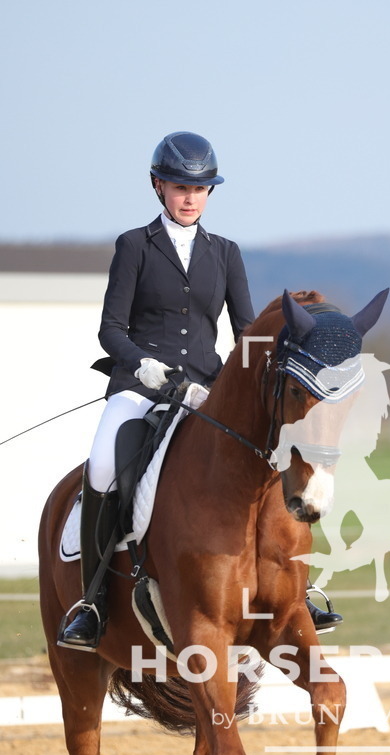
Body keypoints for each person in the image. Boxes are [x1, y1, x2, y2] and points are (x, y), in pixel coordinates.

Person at [58, 131, 341, 651]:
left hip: (205, 391)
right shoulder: (134, 246)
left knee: (271, 461)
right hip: (141, 389)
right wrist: (141, 366)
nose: (190, 198)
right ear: (158, 187)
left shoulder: (225, 253)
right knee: (102, 466)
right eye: (179, 187)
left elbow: (246, 330)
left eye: (200, 188)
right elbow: (111, 328)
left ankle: (298, 593)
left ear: (210, 193)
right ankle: (93, 603)